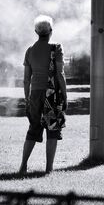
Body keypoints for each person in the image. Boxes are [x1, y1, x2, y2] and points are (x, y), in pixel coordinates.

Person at [19, 15, 67, 174]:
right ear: (51, 31)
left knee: (33, 128)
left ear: (36, 32)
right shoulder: (57, 48)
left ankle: (23, 166)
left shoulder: (30, 50)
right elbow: (59, 74)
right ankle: (48, 169)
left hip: (35, 94)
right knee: (52, 131)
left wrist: (27, 98)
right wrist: (65, 95)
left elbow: (26, 79)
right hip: (52, 94)